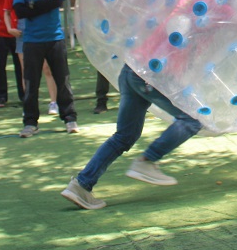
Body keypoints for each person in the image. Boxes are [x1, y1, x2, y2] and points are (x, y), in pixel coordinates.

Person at [61, 63, 202, 210]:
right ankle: (147, 160)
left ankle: (81, 184)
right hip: (152, 74)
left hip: (131, 70)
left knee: (125, 135)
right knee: (193, 119)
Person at [11, 0, 78, 136]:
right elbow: (20, 11)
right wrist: (43, 4)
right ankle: (30, 122)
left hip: (55, 38)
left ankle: (70, 118)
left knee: (62, 80)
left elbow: (59, 1)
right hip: (32, 41)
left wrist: (33, 6)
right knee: (31, 83)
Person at [3, 0, 59, 114]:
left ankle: (53, 102)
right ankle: (29, 105)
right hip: (23, 31)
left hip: (42, 31)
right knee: (26, 70)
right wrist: (9, 28)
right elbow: (6, 12)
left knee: (47, 68)